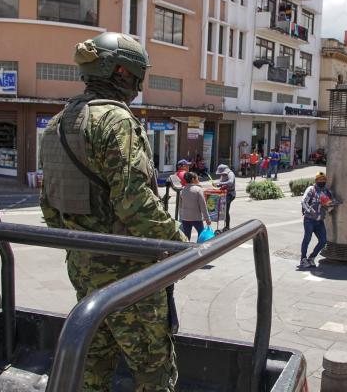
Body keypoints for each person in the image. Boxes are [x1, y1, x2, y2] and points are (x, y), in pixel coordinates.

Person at [39, 32, 182, 391]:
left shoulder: (59, 123)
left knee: (93, 362)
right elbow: (135, 202)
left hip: (83, 269)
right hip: (128, 271)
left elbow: (49, 206)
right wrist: (181, 246)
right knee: (152, 367)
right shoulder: (115, 121)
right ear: (124, 72)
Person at [299, 172, 338, 268]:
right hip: (309, 220)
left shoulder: (327, 192)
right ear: (316, 180)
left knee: (323, 240)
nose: (322, 181)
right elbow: (303, 202)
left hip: (320, 220)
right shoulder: (311, 189)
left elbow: (330, 207)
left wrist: (330, 205)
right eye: (319, 179)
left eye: (323, 179)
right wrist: (311, 211)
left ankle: (311, 257)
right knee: (307, 239)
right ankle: (303, 259)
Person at [179, 172, 211, 240]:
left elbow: (180, 206)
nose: (198, 179)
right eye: (197, 178)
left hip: (185, 218)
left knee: (187, 237)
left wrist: (181, 217)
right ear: (193, 179)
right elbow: (203, 206)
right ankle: (200, 249)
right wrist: (207, 219)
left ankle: (186, 249)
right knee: (201, 234)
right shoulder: (198, 190)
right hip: (196, 218)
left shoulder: (182, 190)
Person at [214, 164, 236, 231]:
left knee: (226, 210)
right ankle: (224, 225)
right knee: (222, 210)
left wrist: (221, 184)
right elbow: (220, 182)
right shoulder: (222, 175)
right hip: (224, 193)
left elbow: (230, 182)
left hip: (230, 194)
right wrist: (217, 184)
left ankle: (227, 226)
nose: (221, 174)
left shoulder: (230, 174)